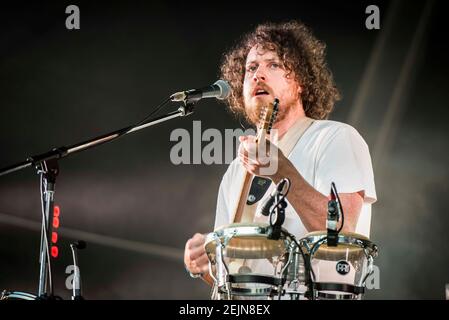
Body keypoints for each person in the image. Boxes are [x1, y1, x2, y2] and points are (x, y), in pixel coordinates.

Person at [183, 21, 376, 287]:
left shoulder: (335, 138)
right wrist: (205, 263)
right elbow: (232, 275)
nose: (257, 75)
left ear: (301, 82)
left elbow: (342, 233)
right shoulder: (236, 170)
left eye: (273, 64)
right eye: (251, 68)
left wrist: (281, 171)